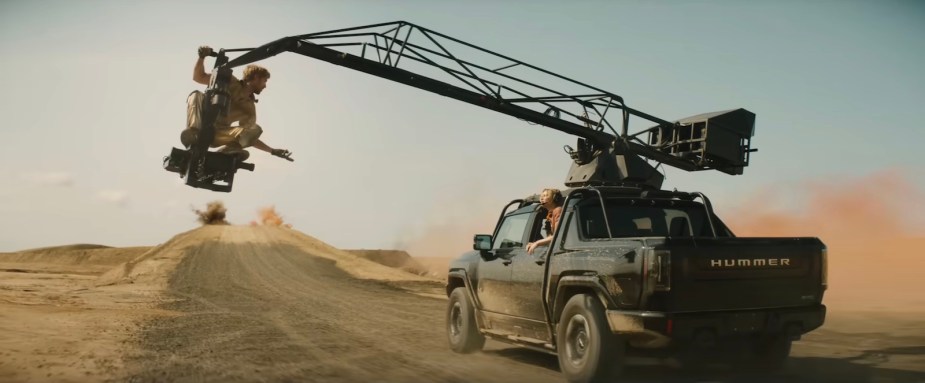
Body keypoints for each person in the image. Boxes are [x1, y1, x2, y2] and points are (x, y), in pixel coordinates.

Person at [181, 45, 292, 162]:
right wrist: (202, 57)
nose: (265, 85)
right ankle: (193, 132)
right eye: (264, 81)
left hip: (218, 134)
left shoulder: (249, 108)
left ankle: (229, 150)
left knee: (255, 129)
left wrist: (272, 151)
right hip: (202, 125)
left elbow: (250, 137)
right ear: (256, 78)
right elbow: (198, 77)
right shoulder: (229, 81)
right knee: (196, 95)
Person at [526, 188, 564, 254]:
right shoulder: (550, 214)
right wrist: (534, 244)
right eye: (541, 196)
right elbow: (551, 237)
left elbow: (557, 235)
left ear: (554, 198)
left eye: (546, 195)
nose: (541, 198)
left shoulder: (558, 210)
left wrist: (537, 243)